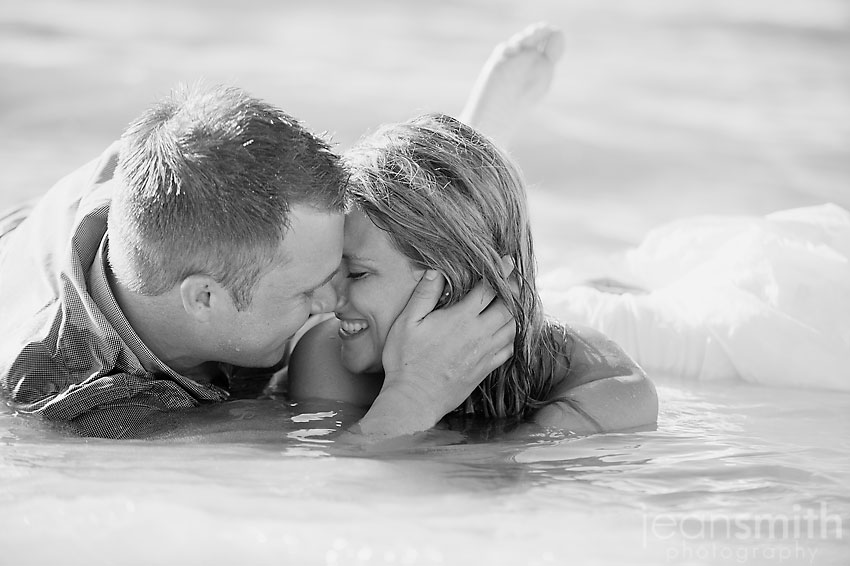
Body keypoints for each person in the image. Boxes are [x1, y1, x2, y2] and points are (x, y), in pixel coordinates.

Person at [0, 84, 515, 440]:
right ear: (204, 298)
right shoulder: (80, 406)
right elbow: (321, 504)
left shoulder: (166, 178)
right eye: (312, 288)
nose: (334, 301)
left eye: (343, 268)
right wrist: (415, 396)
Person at [287, 113, 659, 434]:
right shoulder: (328, 352)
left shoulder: (607, 388)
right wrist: (411, 396)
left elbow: (490, 496)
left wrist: (416, 397)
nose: (327, 300)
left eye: (355, 274)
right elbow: (335, 496)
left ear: (448, 286)